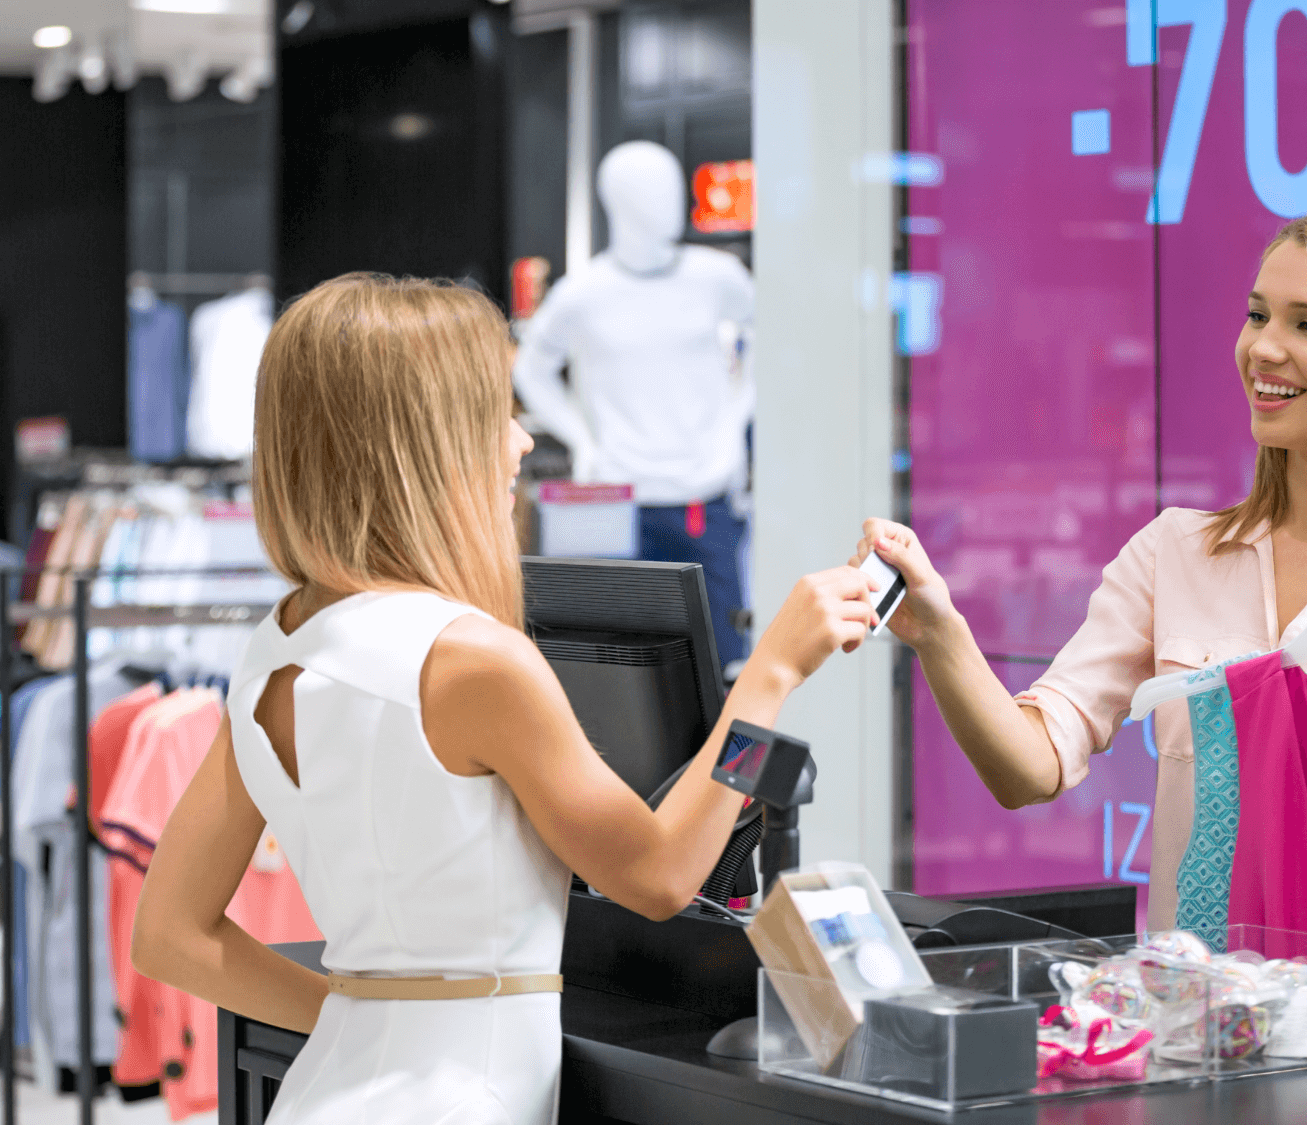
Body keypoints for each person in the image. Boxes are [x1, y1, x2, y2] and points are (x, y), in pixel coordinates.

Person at [131, 273, 875, 1124]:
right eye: (497, 414)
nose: (521, 441)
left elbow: (170, 935)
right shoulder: (474, 660)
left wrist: (367, 1021)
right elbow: (665, 875)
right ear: (426, 445)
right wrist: (771, 673)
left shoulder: (274, 652)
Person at [854, 201, 1307, 932]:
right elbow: (1028, 767)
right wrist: (940, 632)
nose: (1264, 348)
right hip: (1199, 1030)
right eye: (1258, 316)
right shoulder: (1175, 552)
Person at [514, 140, 756, 670]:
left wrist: (734, 424)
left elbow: (771, 341)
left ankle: (727, 753)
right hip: (616, 495)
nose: (671, 201)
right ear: (616, 201)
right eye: (652, 189)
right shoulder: (585, 293)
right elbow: (531, 369)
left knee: (724, 656)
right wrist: (583, 438)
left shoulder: (715, 277)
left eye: (673, 186)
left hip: (702, 492)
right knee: (622, 660)